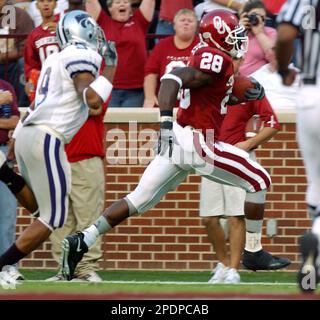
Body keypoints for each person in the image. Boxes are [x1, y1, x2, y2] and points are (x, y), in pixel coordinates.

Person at [60, 9, 290, 281]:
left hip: (181, 140)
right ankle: (253, 251)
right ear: (217, 36)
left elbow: (206, 92)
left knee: (138, 199)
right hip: (195, 139)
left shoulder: (215, 61)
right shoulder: (215, 57)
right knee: (259, 179)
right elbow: (171, 80)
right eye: (233, 34)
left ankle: (82, 239)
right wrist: (166, 122)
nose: (238, 39)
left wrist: (233, 92)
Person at [0, 10, 116, 280]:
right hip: (48, 136)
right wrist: (110, 70)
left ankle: (4, 173)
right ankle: (3, 266)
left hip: (31, 132)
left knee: (43, 211)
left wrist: (16, 137)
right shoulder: (82, 55)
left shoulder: (54, 59)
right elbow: (91, 99)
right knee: (53, 220)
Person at [202, 95, 280, 284]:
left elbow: (272, 123)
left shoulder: (249, 87)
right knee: (209, 219)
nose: (233, 63)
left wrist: (249, 144)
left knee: (236, 216)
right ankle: (223, 264)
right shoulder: (210, 86)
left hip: (238, 158)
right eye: (232, 61)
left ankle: (233, 271)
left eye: (237, 61)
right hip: (211, 158)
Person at [276, 0, 320, 293]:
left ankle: (313, 261)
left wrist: (282, 71)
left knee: (317, 183)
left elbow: (285, 35)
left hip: (310, 95)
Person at [86, 0, 155, 108]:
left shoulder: (140, 21)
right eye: (117, 2)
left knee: (131, 124)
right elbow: (90, 2)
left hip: (136, 90)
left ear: (131, 7)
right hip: (107, 88)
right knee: (109, 124)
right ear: (109, 8)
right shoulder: (102, 22)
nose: (122, 4)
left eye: (126, 2)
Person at [143, 8, 199, 108]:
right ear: (174, 25)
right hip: (165, 104)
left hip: (193, 106)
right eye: (182, 20)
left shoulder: (202, 47)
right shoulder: (162, 45)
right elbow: (151, 72)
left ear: (196, 26)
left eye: (190, 21)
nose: (186, 23)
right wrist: (150, 96)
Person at [0, 80, 25, 281]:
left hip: (2, 152)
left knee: (7, 213)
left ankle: (8, 266)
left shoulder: (5, 86)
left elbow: (15, 121)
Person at [24, 0, 60, 103]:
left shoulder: (64, 26)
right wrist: (30, 82)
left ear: (55, 4)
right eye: (41, 1)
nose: (46, 4)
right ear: (36, 6)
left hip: (65, 79)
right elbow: (30, 65)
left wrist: (62, 31)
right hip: (45, 81)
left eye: (49, 0)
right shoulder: (33, 35)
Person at [0, 0, 34, 107]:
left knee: (22, 63)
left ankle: (21, 105)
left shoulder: (19, 15)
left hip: (12, 63)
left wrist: (6, 55)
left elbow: (26, 46)